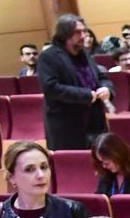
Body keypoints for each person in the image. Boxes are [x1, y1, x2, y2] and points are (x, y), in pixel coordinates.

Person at [37, 13, 113, 151]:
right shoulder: (48, 57)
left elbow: (101, 77)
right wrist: (86, 95)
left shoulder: (84, 54)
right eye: (78, 32)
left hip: (95, 124)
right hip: (67, 128)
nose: (83, 36)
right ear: (64, 34)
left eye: (84, 31)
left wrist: (107, 88)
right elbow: (51, 88)